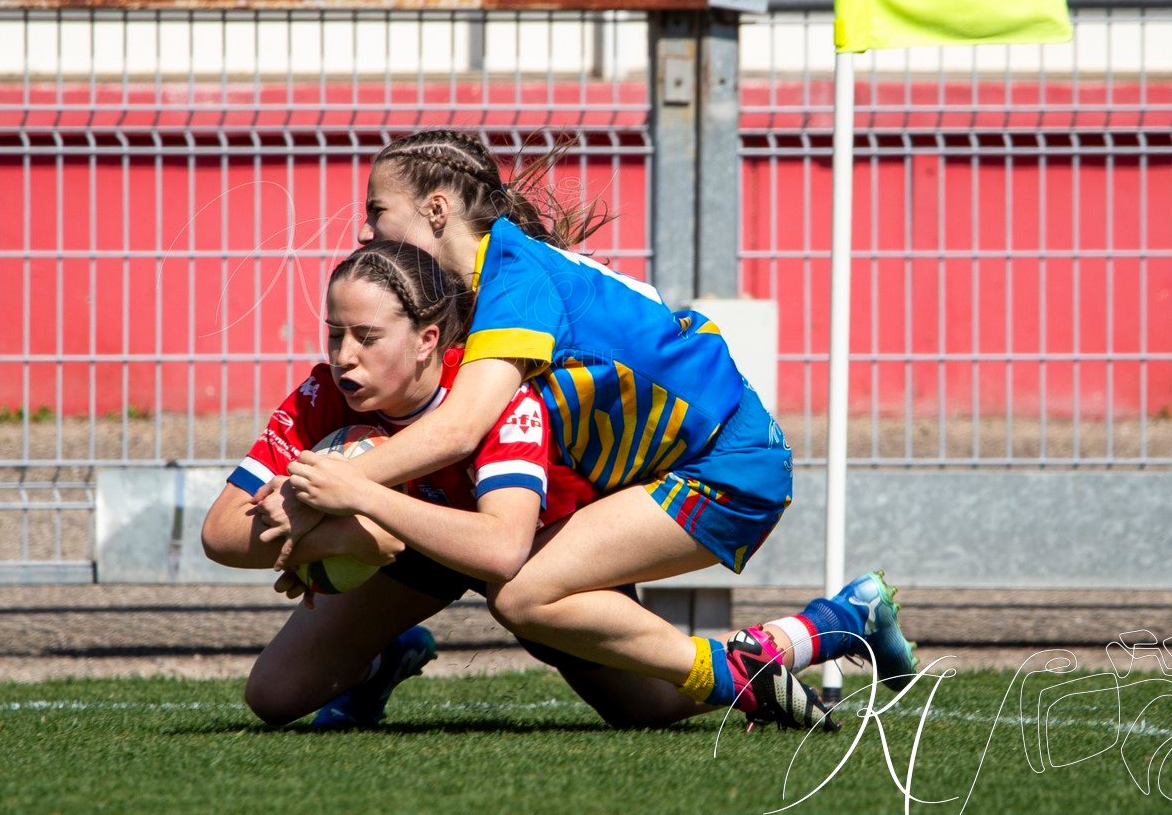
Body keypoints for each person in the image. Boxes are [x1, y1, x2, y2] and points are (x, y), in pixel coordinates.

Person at [268, 129, 919, 729]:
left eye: (377, 209)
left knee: (526, 598)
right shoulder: (466, 287)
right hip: (563, 493)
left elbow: (458, 430)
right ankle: (833, 624)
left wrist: (328, 487)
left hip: (719, 466)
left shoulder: (514, 278)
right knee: (647, 706)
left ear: (435, 210)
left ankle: (760, 661)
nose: (362, 229)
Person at [201, 239, 598, 728]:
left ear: (426, 340)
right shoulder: (323, 394)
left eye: (367, 337)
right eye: (334, 334)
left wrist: (361, 499)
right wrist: (345, 539)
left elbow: (501, 550)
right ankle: (383, 662)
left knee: (649, 708)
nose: (344, 356)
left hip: (536, 551)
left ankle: (720, 658)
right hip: (410, 552)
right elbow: (218, 533)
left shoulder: (487, 392)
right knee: (273, 696)